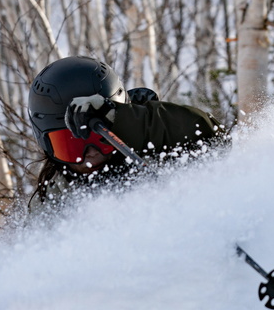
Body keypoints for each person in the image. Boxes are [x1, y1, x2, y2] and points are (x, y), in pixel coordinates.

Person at [26, 56, 224, 204]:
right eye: (72, 145)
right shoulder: (53, 200)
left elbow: (212, 140)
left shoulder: (159, 151)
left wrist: (129, 120)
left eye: (101, 135)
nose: (91, 153)